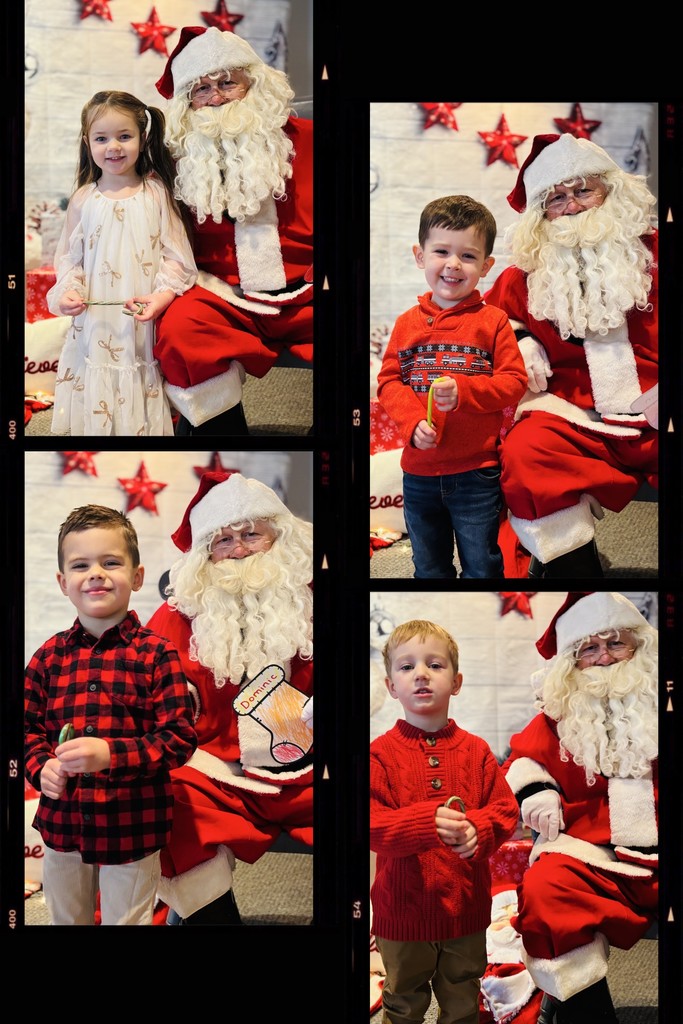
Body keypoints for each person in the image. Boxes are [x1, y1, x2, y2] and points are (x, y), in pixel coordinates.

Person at [485, 133, 658, 577]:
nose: (574, 206)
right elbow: (490, 320)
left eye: (583, 190)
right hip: (579, 419)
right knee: (526, 451)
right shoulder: (526, 273)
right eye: (557, 198)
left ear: (611, 190)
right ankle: (574, 572)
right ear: (541, 214)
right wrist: (519, 338)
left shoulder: (657, 253)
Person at [146, 470, 314, 924]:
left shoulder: (317, 602)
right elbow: (145, 692)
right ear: (204, 554)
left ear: (278, 536)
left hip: (308, 772)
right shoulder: (178, 611)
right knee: (167, 795)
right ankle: (214, 921)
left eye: (250, 534)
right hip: (216, 775)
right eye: (222, 540)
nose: (238, 548)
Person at [24, 505, 197, 925]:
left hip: (132, 825)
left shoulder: (157, 653)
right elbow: (25, 729)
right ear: (64, 583)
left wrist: (111, 755)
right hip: (63, 824)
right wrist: (39, 767)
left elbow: (178, 738)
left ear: (137, 577)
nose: (96, 573)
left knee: (128, 919)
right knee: (67, 916)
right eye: (81, 565)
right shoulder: (48, 657)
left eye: (111, 562)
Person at [504, 591, 658, 1023]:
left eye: (615, 643)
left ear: (639, 645)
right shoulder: (560, 710)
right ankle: (586, 1013)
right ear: (572, 660)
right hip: (591, 853)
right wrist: (539, 792)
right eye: (589, 648)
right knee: (544, 889)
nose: (605, 657)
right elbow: (525, 760)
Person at [152, 26, 313, 436]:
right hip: (222, 297)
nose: (217, 97)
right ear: (186, 102)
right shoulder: (175, 156)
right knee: (180, 332)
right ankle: (221, 436)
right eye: (201, 90)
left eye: (227, 83)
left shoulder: (310, 141)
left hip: (306, 293)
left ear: (254, 83)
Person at [370, 619, 520, 1023]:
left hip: (465, 911)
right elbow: (371, 825)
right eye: (406, 667)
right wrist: (425, 824)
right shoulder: (380, 755)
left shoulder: (476, 750)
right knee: (403, 1001)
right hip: (401, 914)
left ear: (456, 682)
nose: (420, 673)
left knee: (462, 1000)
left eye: (435, 665)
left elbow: (505, 810)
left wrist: (481, 830)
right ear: (391, 687)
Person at [376, 195, 527, 578]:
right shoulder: (407, 323)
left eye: (469, 256)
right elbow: (389, 382)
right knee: (428, 565)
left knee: (481, 564)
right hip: (418, 472)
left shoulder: (493, 322)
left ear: (487, 266)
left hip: (476, 472)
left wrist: (466, 392)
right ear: (420, 255)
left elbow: (513, 382)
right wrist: (412, 422)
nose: (453, 264)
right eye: (441, 251)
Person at [47, 91, 198, 436]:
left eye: (124, 136)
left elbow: (177, 257)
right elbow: (70, 260)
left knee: (137, 368)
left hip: (139, 314)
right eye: (102, 138)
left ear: (143, 139)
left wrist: (162, 297)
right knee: (99, 370)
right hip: (97, 318)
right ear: (87, 142)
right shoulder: (84, 199)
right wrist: (70, 290)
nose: (113, 146)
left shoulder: (156, 192)